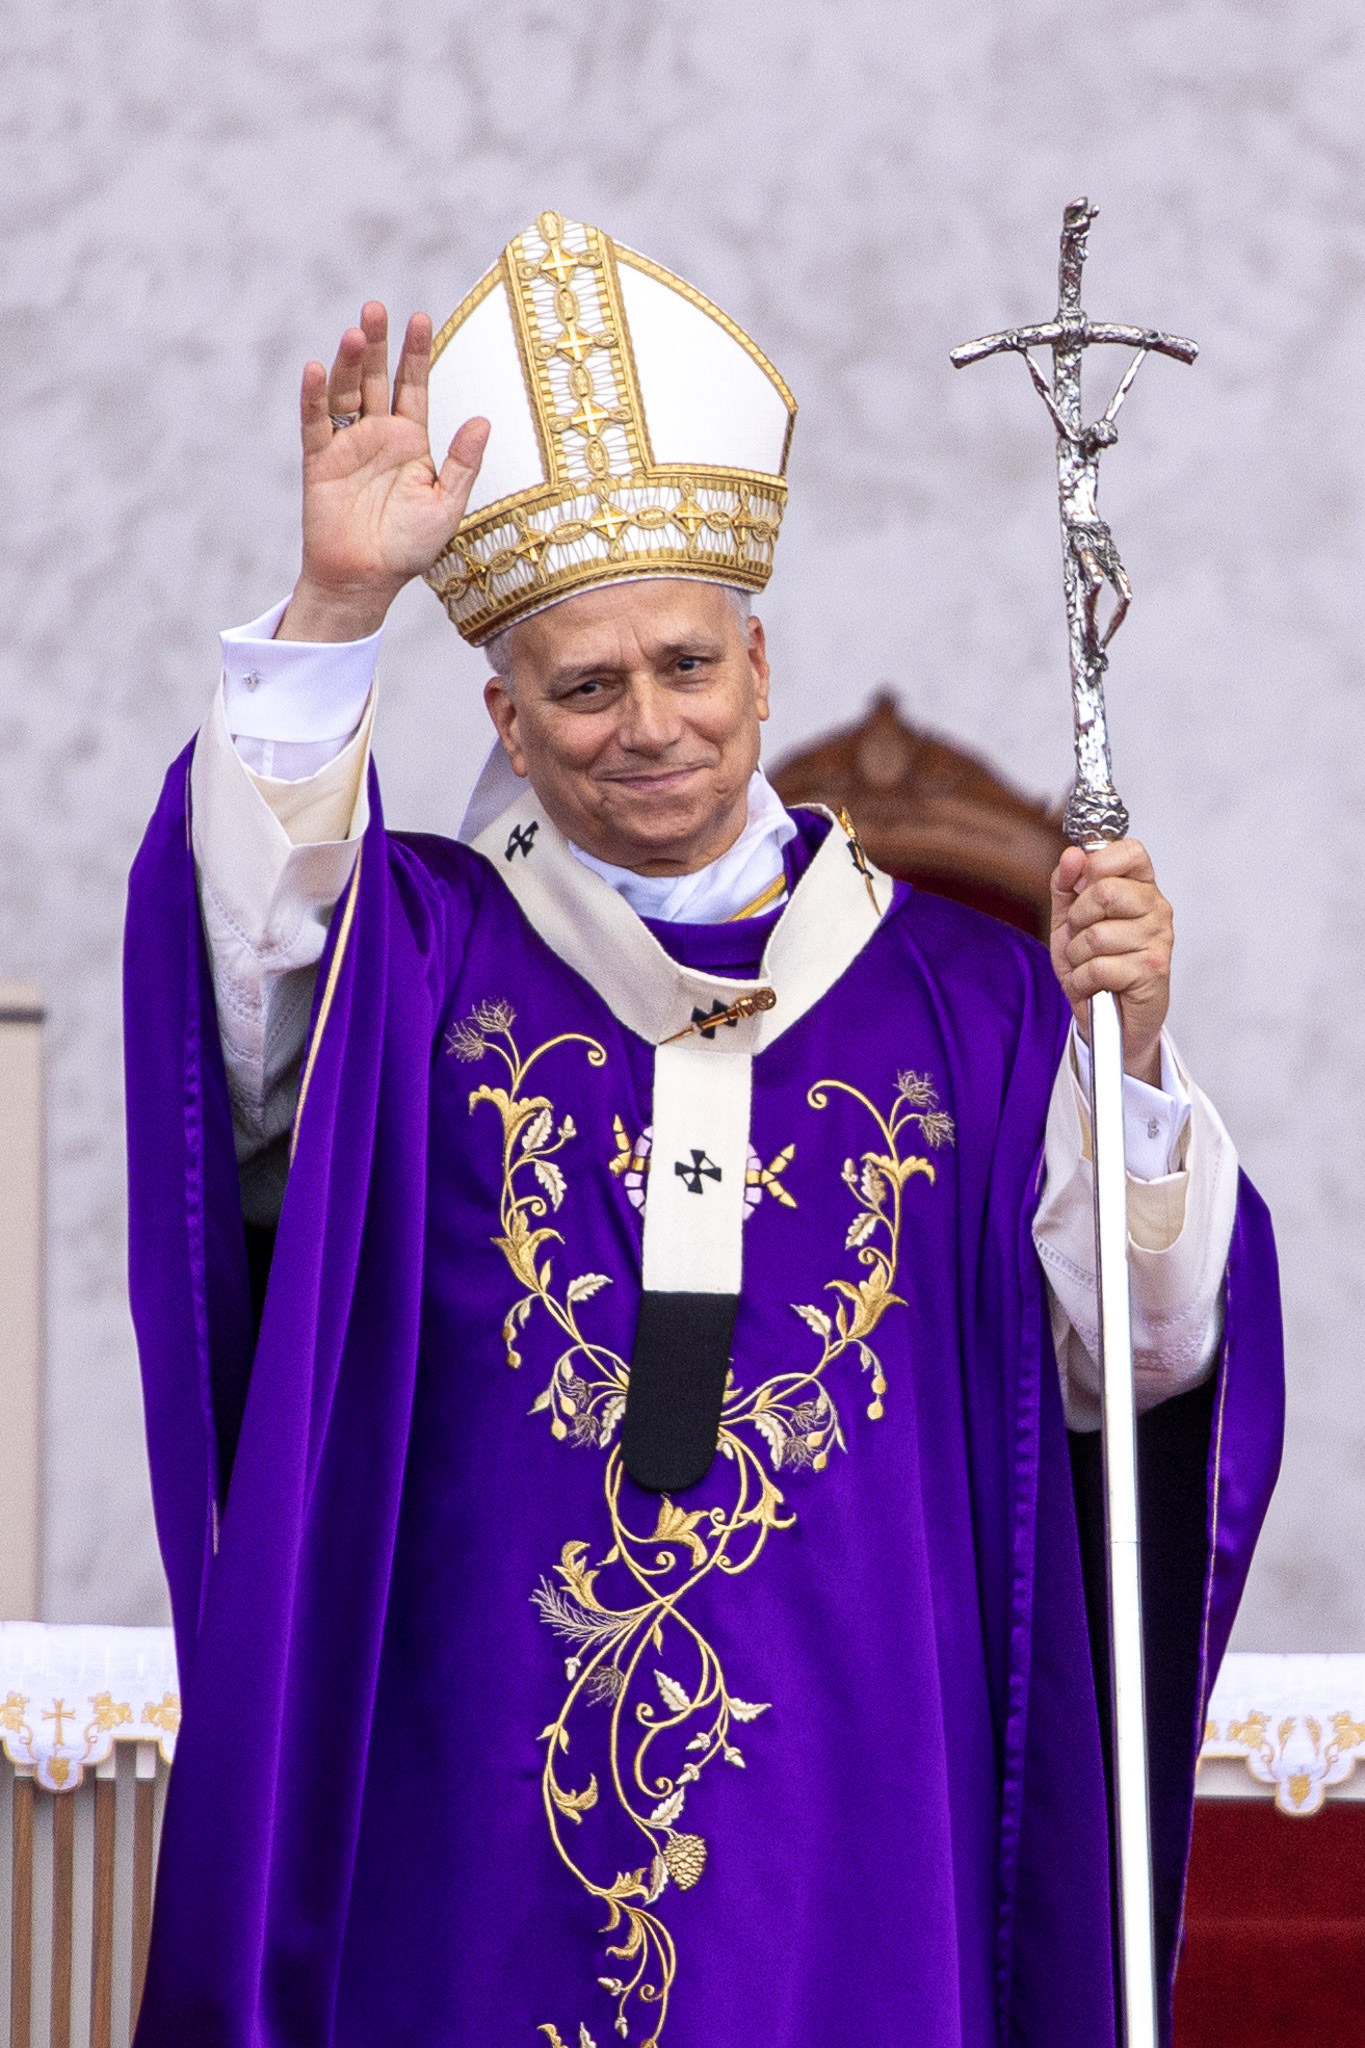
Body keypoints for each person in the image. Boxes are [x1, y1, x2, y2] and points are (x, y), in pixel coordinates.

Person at [124, 212, 1282, 2048]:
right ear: (505, 710)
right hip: (475, 1790)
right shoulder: (419, 962)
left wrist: (1131, 1060)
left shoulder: (971, 1010)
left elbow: (1133, 1374)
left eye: (686, 665)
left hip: (854, 1802)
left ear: (759, 661)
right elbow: (242, 1004)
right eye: (585, 687)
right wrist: (336, 612)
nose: (648, 725)